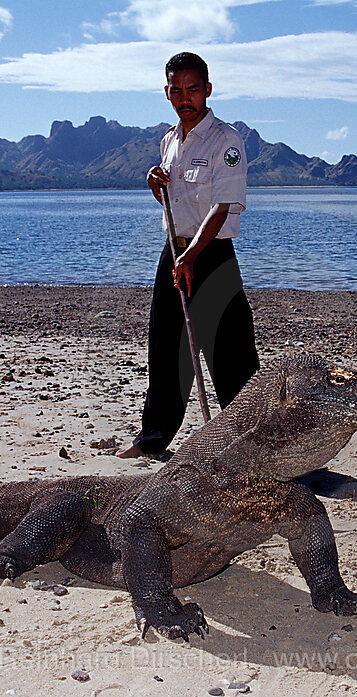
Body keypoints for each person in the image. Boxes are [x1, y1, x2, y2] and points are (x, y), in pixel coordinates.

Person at [117, 52, 260, 458]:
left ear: (208, 90)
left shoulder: (226, 140)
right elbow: (174, 200)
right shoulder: (169, 141)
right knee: (166, 347)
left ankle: (252, 446)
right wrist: (154, 181)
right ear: (167, 93)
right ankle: (153, 439)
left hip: (211, 254)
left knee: (230, 353)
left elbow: (221, 206)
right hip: (175, 251)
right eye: (177, 90)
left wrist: (192, 256)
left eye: (193, 89)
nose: (185, 98)